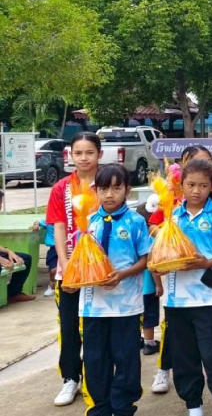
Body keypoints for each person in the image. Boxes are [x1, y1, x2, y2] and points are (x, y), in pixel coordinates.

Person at [157, 159, 212, 416]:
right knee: (183, 355)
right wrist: (160, 269)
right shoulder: (172, 216)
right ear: (181, 185)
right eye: (191, 185)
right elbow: (160, 254)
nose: (196, 191)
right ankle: (194, 406)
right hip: (175, 300)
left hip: (208, 298)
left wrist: (207, 262)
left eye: (203, 186)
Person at [76, 164, 151, 416]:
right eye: (104, 189)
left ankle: (123, 406)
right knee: (95, 359)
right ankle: (100, 407)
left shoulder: (136, 221)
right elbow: (80, 260)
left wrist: (122, 275)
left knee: (126, 357)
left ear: (127, 190)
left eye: (117, 188)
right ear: (95, 190)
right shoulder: (88, 222)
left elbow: (145, 259)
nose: (109, 194)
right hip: (93, 305)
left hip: (125, 305)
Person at [47, 131, 102, 407]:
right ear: (70, 155)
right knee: (69, 327)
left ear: (99, 154)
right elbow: (58, 227)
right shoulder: (61, 188)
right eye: (78, 153)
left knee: (98, 326)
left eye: (89, 152)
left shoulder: (108, 182)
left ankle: (99, 376)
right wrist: (65, 264)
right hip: (69, 268)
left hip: (102, 268)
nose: (83, 158)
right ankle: (70, 378)